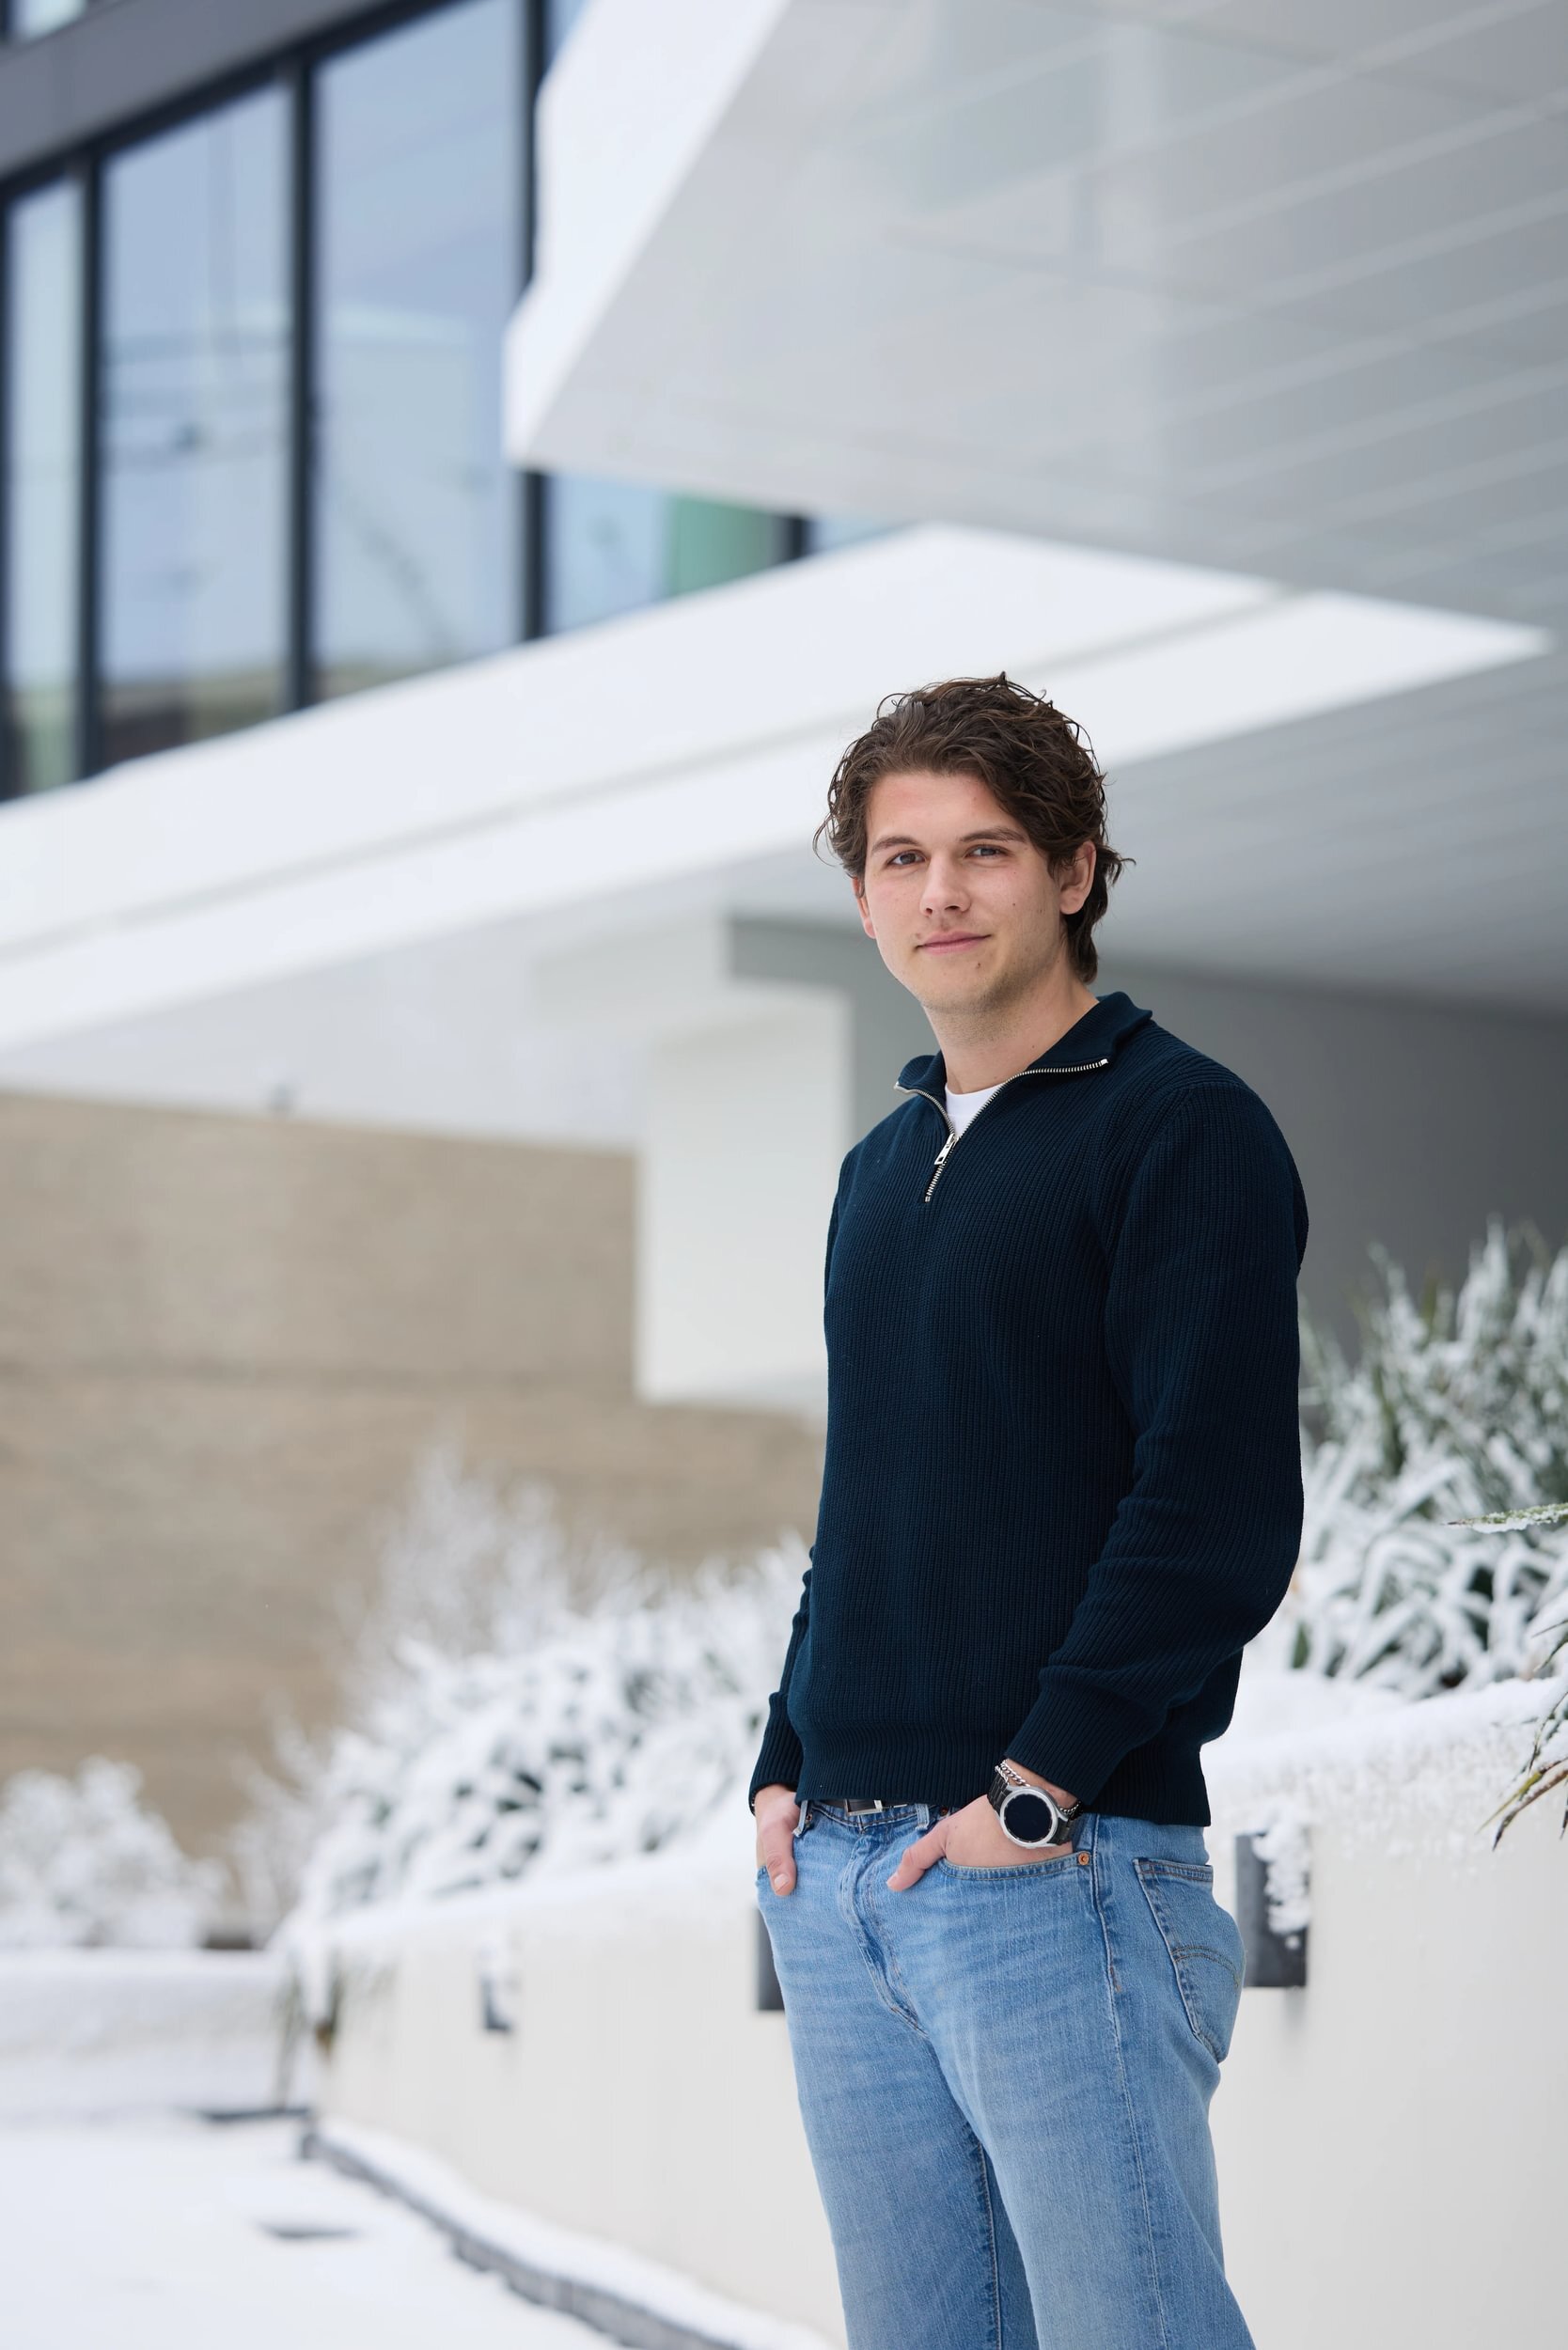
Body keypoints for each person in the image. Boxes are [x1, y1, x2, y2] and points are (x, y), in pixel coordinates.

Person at [750, 673, 1307, 2350]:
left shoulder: (1179, 1127)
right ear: (864, 897)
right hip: (847, 1879)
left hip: (1057, 1866)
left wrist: (1042, 1786)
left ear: (1073, 871)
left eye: (985, 851)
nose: (941, 892)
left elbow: (1211, 1506)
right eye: (902, 858)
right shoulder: (878, 1168)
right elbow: (870, 1496)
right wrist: (784, 1755)